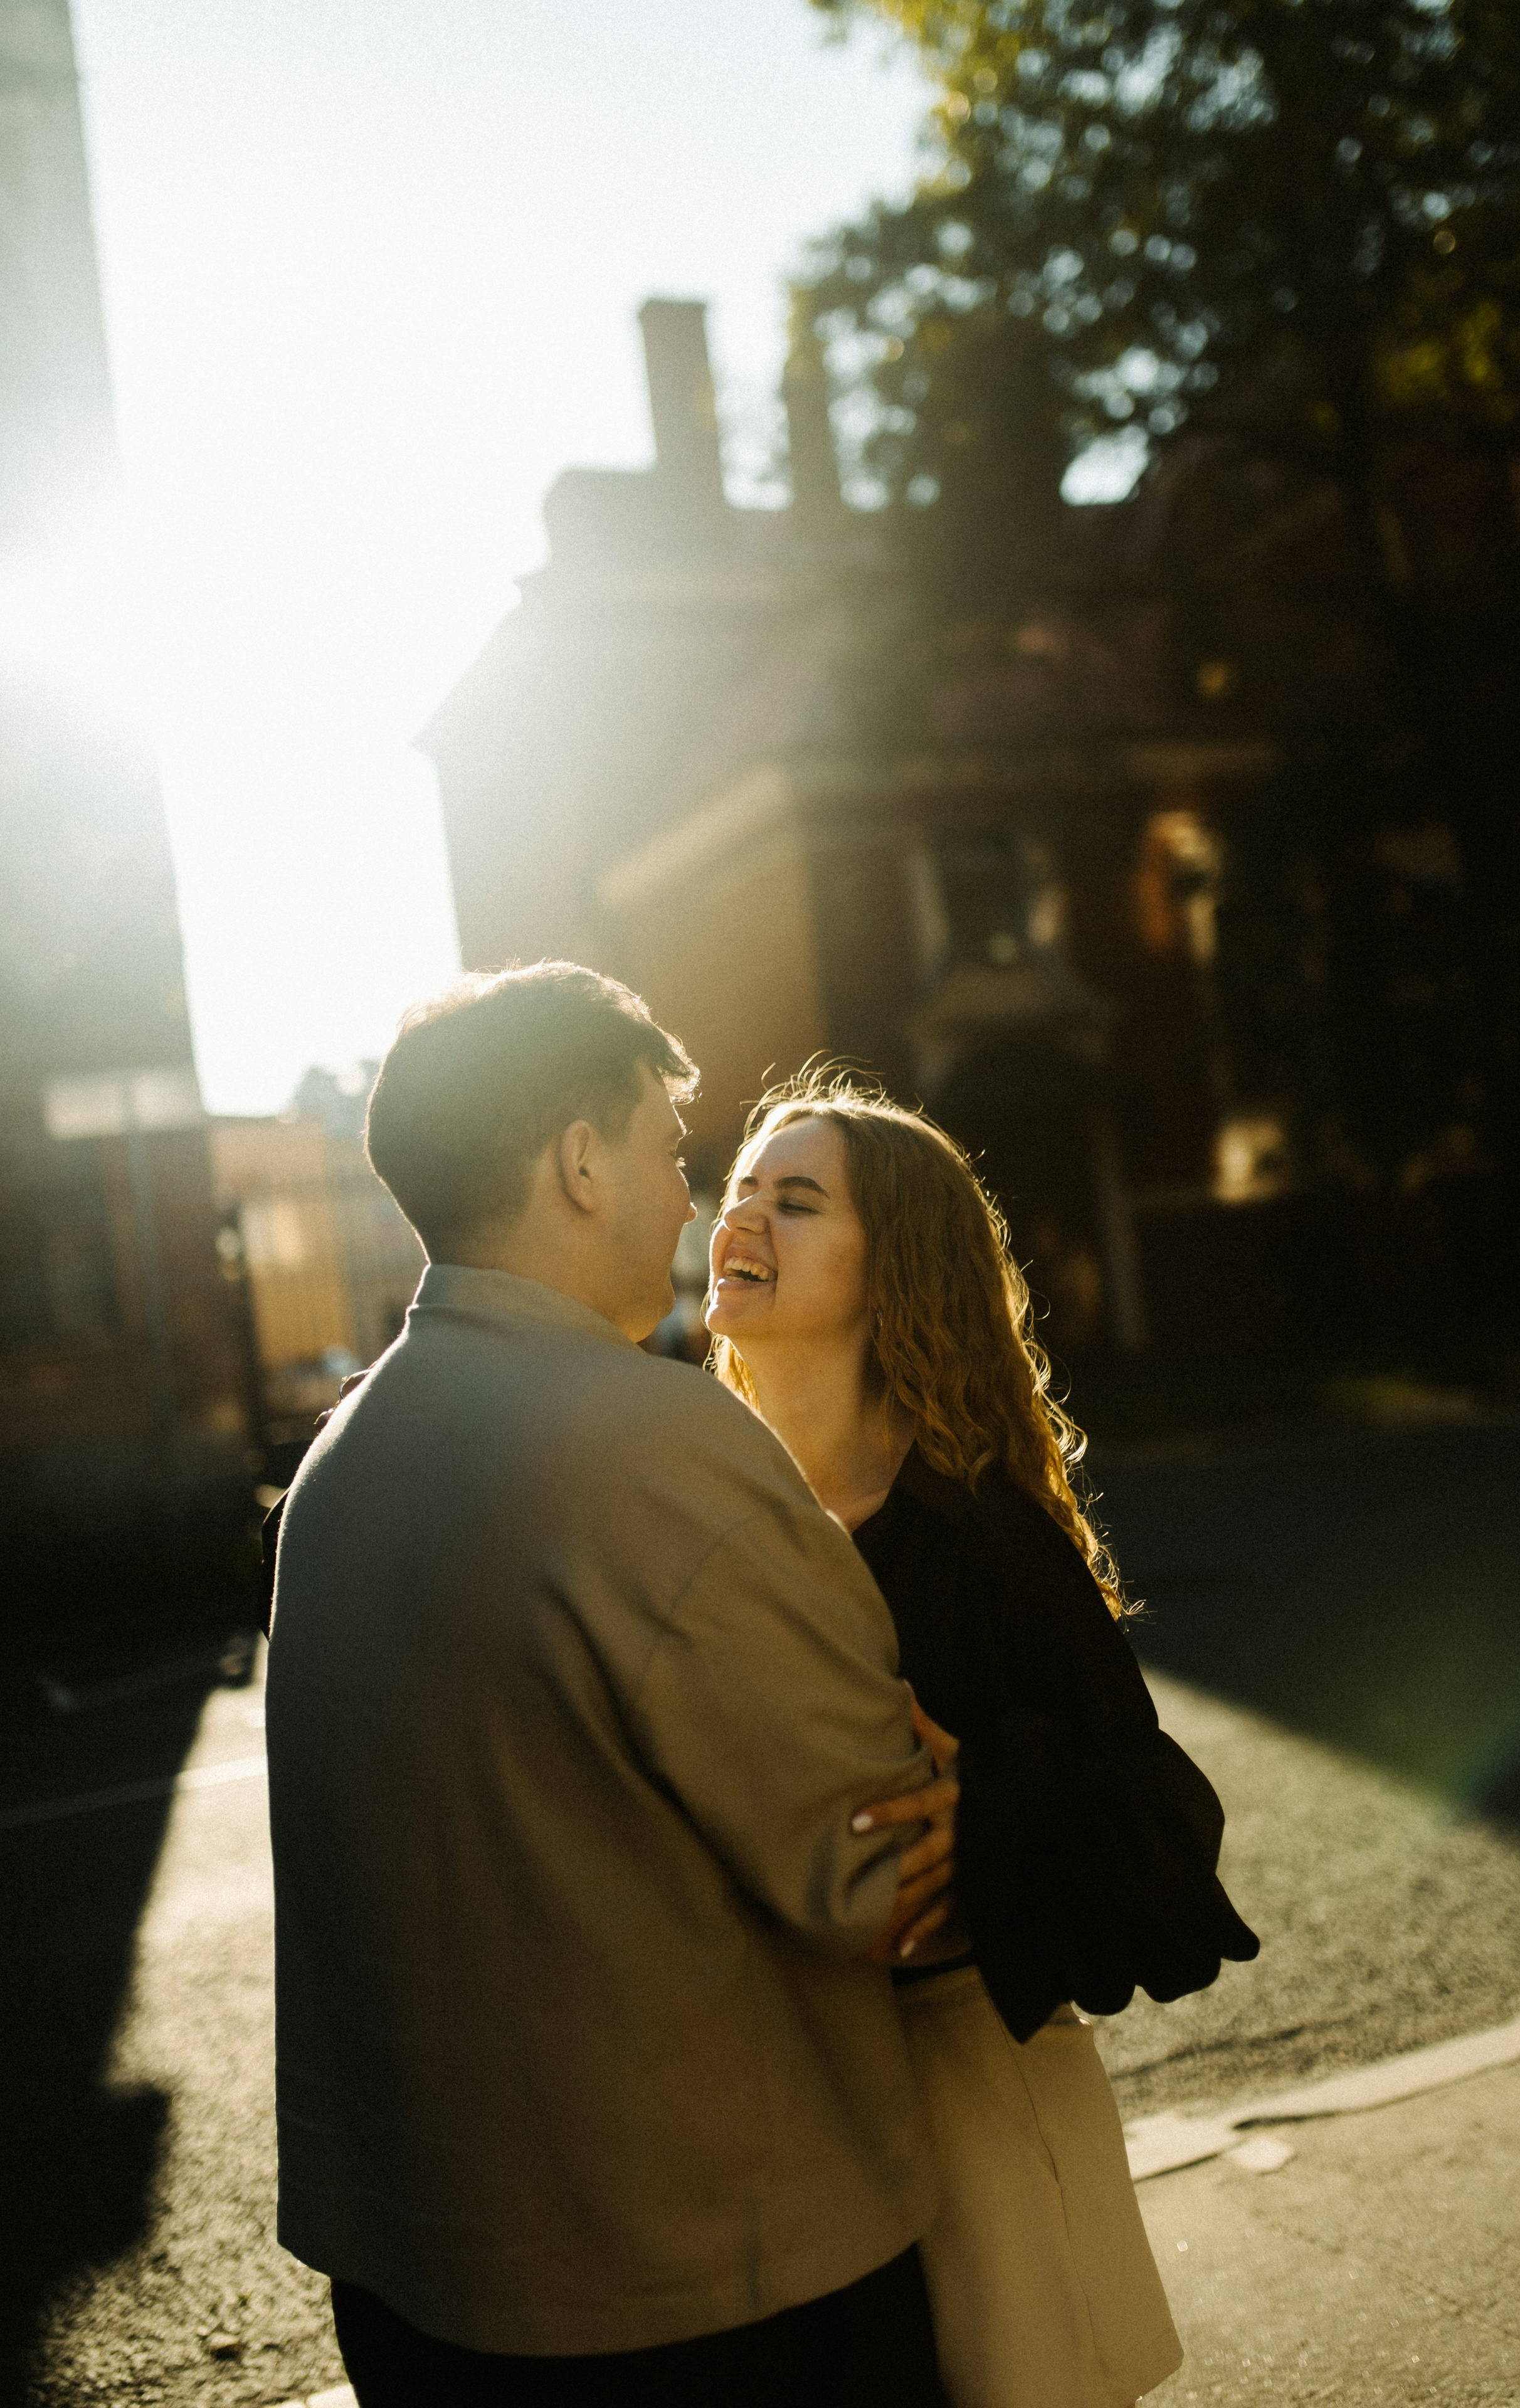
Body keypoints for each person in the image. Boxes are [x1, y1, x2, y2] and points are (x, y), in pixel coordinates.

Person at [265, 964, 961, 2408]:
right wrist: (976, 1793)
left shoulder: (338, 1469)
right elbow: (883, 1878)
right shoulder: (653, 1444)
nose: (683, 1200)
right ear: (580, 1162)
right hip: (706, 2296)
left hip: (423, 2282)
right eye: (669, 1154)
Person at [705, 1072, 1261, 2408]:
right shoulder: (688, 1506)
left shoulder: (977, 1530)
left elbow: (1163, 1835)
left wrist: (996, 1808)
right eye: (736, 1191)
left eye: (795, 1200)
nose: (743, 1220)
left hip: (972, 2103)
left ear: (891, 1266)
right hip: (778, 2123)